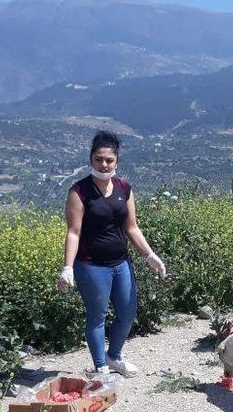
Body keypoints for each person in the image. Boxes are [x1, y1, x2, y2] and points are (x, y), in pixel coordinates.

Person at [56, 130, 166, 375]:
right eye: (98, 159)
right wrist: (68, 267)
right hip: (91, 265)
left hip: (121, 263)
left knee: (127, 314)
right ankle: (100, 367)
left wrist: (149, 255)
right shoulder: (79, 192)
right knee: (97, 317)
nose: (103, 165)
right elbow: (74, 232)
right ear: (90, 159)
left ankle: (114, 356)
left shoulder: (124, 189)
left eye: (109, 160)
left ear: (117, 161)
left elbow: (132, 227)